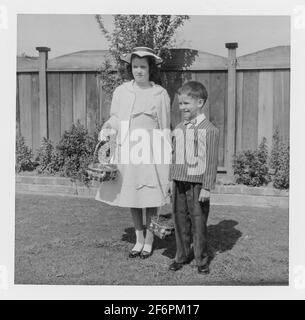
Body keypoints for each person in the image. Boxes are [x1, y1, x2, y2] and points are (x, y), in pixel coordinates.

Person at [95, 47, 171, 259]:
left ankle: (149, 240)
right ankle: (138, 239)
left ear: (150, 69)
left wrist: (167, 154)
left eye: (143, 67)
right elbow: (115, 118)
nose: (138, 71)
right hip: (129, 150)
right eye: (135, 67)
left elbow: (165, 125)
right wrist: (108, 128)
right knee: (134, 196)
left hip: (152, 150)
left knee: (151, 197)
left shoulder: (160, 93)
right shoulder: (122, 91)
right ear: (131, 68)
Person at [167, 81, 219, 274]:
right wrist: (171, 180)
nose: (183, 108)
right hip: (179, 182)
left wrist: (207, 186)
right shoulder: (179, 128)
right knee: (180, 220)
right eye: (180, 104)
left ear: (200, 103)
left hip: (197, 185)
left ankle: (201, 260)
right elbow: (174, 156)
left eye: (186, 103)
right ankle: (181, 255)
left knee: (198, 222)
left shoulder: (210, 130)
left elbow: (212, 161)